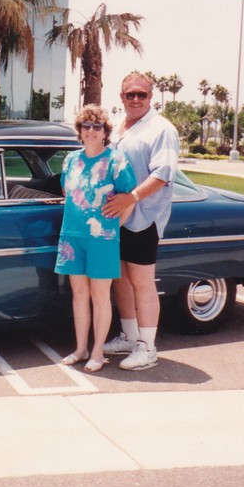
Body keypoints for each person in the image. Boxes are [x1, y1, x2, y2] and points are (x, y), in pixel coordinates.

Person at [102, 71, 180, 371]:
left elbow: (162, 174)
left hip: (143, 218)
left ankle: (148, 348)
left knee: (143, 283)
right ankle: (129, 336)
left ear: (151, 97)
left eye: (141, 94)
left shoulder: (161, 129)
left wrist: (130, 198)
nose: (135, 99)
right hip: (116, 217)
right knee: (120, 278)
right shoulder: (119, 127)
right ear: (121, 97)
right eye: (129, 94)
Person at [55, 105, 136, 373]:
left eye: (96, 126)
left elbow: (129, 200)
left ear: (105, 132)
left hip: (102, 239)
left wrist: (111, 227)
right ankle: (81, 349)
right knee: (79, 295)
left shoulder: (116, 160)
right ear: (79, 131)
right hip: (72, 236)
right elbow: (68, 193)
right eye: (86, 126)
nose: (91, 131)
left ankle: (98, 352)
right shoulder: (70, 160)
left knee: (100, 296)